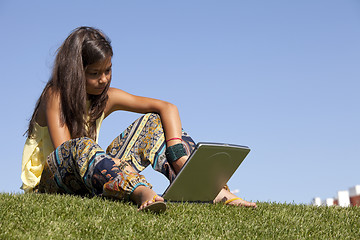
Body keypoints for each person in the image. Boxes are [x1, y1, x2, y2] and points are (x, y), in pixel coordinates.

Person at [21, 26, 257, 213]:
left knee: (153, 122)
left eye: (108, 70)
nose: (104, 79)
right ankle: (141, 191)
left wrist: (176, 155)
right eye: (95, 73)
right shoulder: (56, 95)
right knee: (81, 146)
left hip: (92, 175)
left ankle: (209, 189)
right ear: (76, 71)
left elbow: (166, 107)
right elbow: (67, 153)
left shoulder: (106, 98)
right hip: (53, 183)